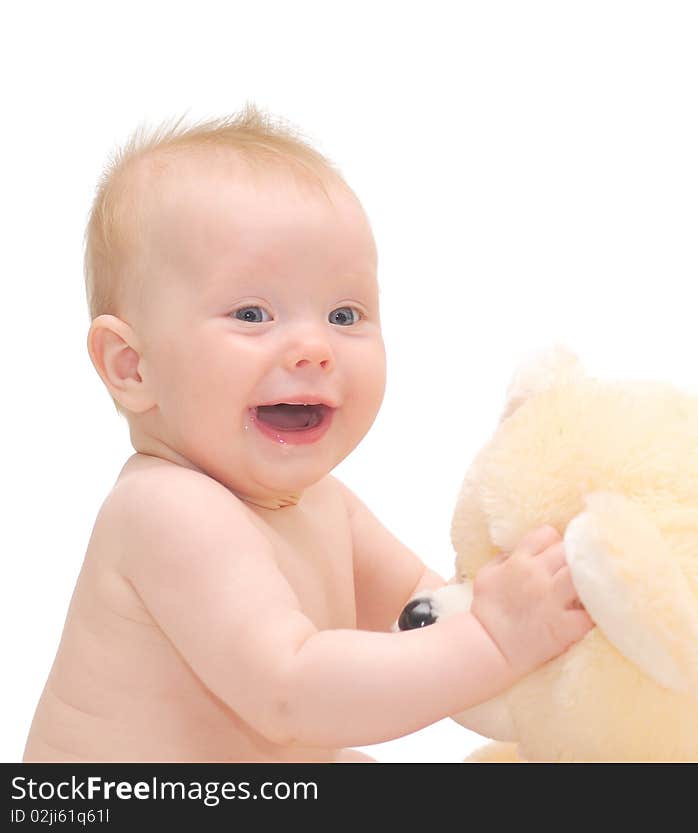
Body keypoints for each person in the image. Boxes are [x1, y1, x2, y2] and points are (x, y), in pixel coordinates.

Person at [23, 104, 593, 762]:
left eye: (345, 313)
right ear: (133, 365)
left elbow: (429, 615)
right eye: (253, 312)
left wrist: (540, 635)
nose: (314, 348)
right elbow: (292, 693)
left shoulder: (326, 504)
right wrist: (494, 641)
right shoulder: (166, 510)